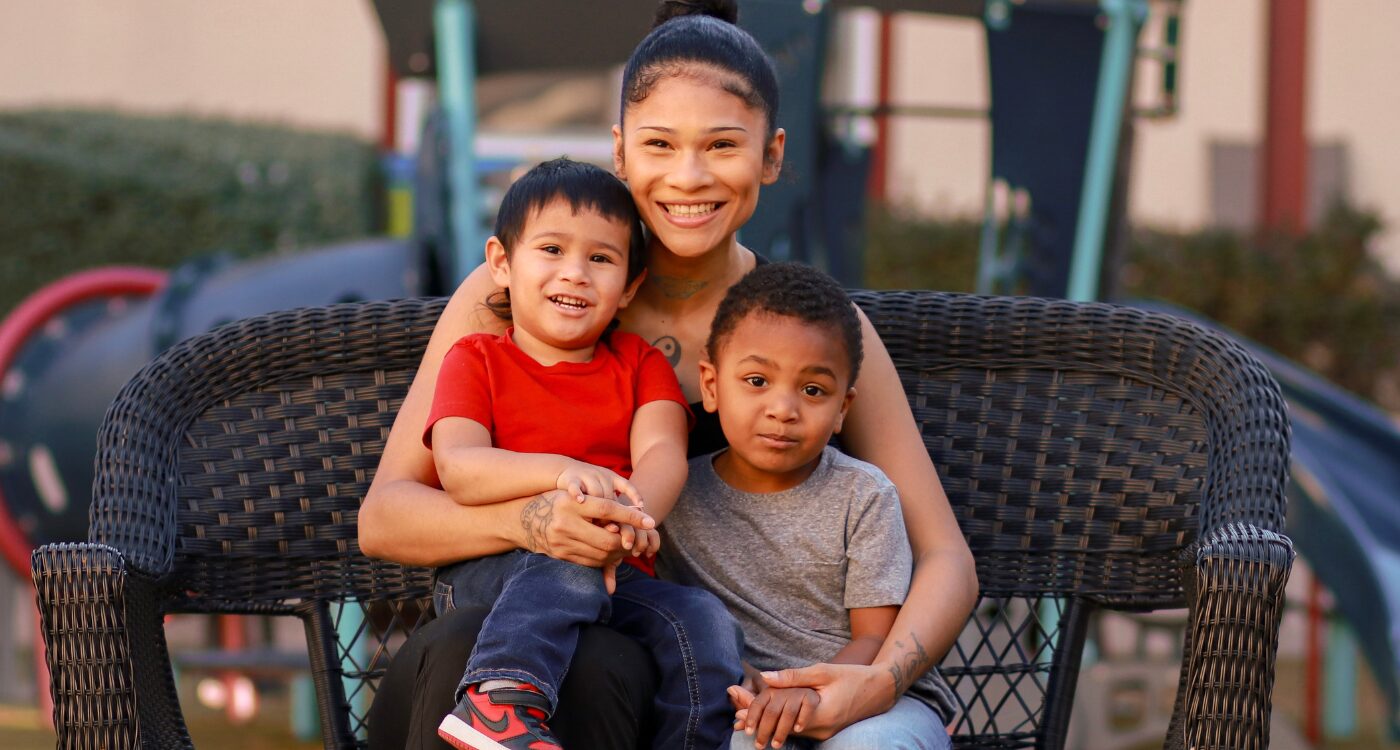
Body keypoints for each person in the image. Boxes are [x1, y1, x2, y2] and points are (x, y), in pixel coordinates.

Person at [359, 2, 978, 748]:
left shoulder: (811, 331)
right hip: (534, 652)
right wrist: (539, 526)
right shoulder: (515, 298)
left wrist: (878, 681)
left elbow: (945, 557)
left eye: (722, 146)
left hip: (710, 674)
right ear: (621, 153)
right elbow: (385, 515)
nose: (689, 177)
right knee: (539, 656)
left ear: (772, 156)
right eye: (660, 144)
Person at [425, 157, 743, 750]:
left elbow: (664, 453)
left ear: (628, 287)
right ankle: (497, 705)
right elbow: (459, 470)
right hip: (492, 571)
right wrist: (566, 476)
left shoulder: (639, 364)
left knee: (705, 621)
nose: (575, 274)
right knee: (565, 553)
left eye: (600, 259)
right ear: (502, 263)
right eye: (551, 249)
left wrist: (630, 514)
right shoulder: (477, 359)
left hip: (614, 568)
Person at [658, 262, 955, 750]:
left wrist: (807, 695)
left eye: (813, 390)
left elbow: (874, 637)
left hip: (873, 698)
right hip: (751, 705)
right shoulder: (680, 498)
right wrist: (755, 685)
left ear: (843, 407)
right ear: (710, 385)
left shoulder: (863, 495)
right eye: (757, 381)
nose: (783, 409)